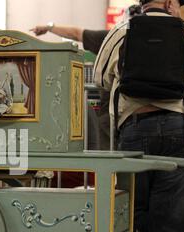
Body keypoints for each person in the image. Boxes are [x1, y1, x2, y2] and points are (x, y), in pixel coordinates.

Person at [94, 0, 184, 232]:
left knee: (131, 210)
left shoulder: (120, 32)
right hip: (180, 129)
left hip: (134, 128)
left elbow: (100, 77)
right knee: (174, 217)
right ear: (168, 3)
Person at [31, 4, 143, 151]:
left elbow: (77, 33)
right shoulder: (160, 41)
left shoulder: (111, 38)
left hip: (111, 118)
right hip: (142, 116)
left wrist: (49, 27)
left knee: (107, 165)